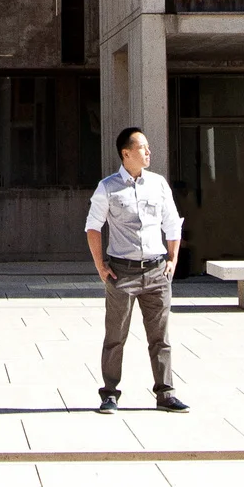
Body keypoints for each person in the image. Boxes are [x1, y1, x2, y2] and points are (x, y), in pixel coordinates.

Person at [83, 125, 188, 414]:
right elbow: (93, 227)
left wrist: (173, 258)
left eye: (147, 147)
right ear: (126, 153)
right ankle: (109, 394)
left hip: (156, 272)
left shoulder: (158, 184)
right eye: (143, 147)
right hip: (122, 273)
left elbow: (172, 222)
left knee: (161, 337)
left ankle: (166, 394)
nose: (148, 151)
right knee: (115, 337)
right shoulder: (107, 187)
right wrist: (100, 266)